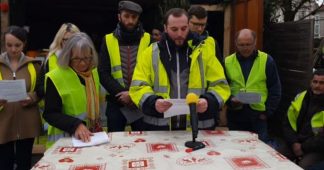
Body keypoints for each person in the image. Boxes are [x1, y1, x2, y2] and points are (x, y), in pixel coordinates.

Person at [129, 8, 230, 131]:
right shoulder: (149, 53)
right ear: (165, 28)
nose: (180, 34)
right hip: (159, 128)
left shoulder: (205, 52)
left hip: (198, 127)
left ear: (188, 26)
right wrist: (152, 102)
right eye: (174, 29)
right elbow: (138, 86)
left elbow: (221, 85)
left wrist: (208, 102)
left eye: (184, 28)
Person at [98, 0, 151, 132]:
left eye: (134, 17)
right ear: (119, 16)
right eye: (126, 16)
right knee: (115, 144)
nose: (130, 21)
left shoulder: (148, 39)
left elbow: (153, 72)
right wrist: (121, 94)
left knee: (143, 144)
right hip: (116, 102)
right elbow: (103, 73)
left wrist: (133, 95)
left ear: (138, 18)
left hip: (140, 102)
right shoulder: (108, 40)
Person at [43, 32, 102, 147]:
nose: (83, 63)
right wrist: (76, 125)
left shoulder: (93, 73)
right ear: (68, 56)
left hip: (90, 138)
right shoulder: (56, 77)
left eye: (87, 58)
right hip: (64, 142)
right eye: (77, 59)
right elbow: (50, 114)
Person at [224, 29, 281, 142]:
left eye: (248, 44)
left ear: (255, 42)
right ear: (236, 43)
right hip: (236, 115)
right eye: (241, 45)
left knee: (259, 150)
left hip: (258, 116)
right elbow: (222, 88)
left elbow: (275, 89)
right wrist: (231, 100)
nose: (245, 48)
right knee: (235, 148)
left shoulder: (267, 60)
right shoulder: (227, 61)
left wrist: (267, 113)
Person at [0, 26, 42, 170]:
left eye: (17, 45)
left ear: (24, 44)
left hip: (27, 122)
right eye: (9, 45)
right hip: (2, 122)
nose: (13, 49)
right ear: (4, 44)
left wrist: (32, 97)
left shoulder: (34, 65)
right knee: (4, 163)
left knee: (25, 162)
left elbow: (41, 90)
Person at [280, 69, 324, 169]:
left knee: (303, 166)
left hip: (316, 149)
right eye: (315, 82)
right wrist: (294, 143)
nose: (317, 86)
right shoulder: (301, 97)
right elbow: (287, 123)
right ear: (310, 82)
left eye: (322, 83)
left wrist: (302, 147)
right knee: (275, 156)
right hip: (295, 142)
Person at [36, 23, 80, 98]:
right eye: (66, 40)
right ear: (60, 40)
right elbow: (40, 89)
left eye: (72, 40)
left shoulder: (84, 59)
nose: (69, 43)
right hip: (55, 105)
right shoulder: (50, 59)